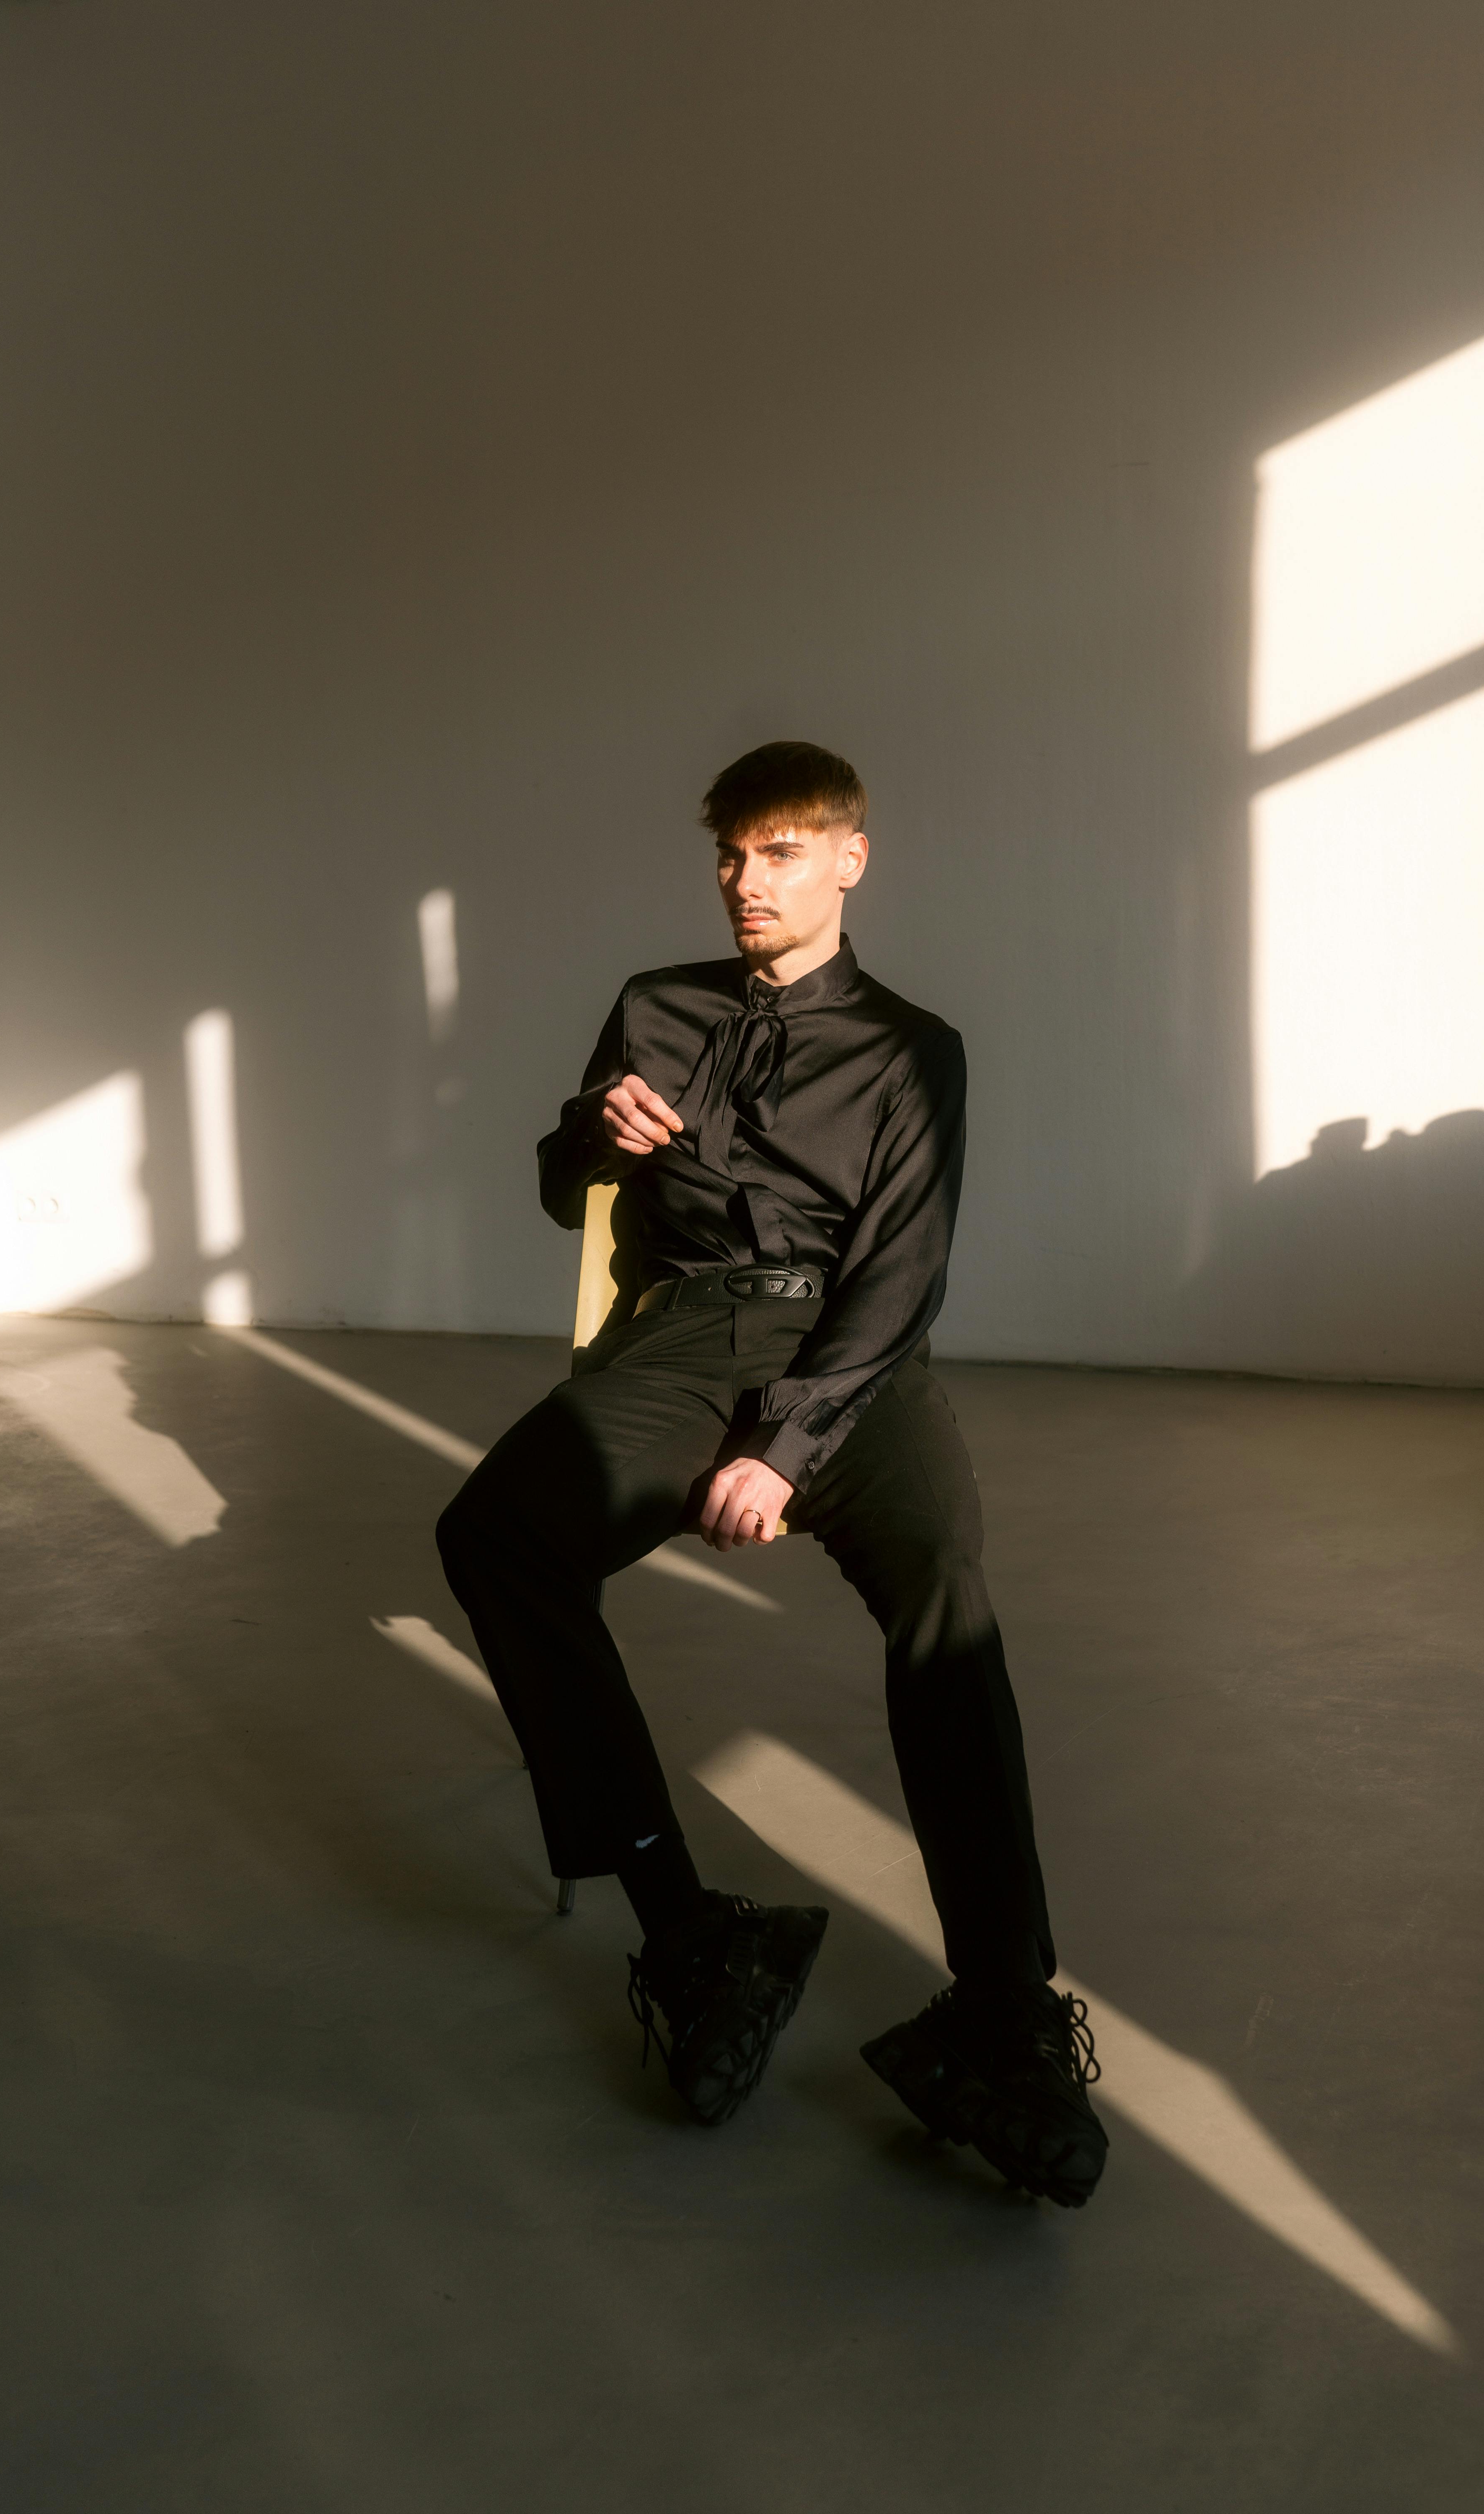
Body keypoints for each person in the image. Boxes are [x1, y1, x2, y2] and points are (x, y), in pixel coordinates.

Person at [437, 741, 1107, 2206]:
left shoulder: (914, 1047)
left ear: (852, 859)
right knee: (493, 1534)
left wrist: (785, 1447)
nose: (751, 883)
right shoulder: (655, 1005)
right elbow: (564, 1188)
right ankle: (690, 1934)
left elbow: (905, 1274)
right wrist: (591, 1135)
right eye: (734, 856)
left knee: (948, 1596)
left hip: (848, 1352)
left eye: (786, 853)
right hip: (682, 1335)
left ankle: (1005, 2012)